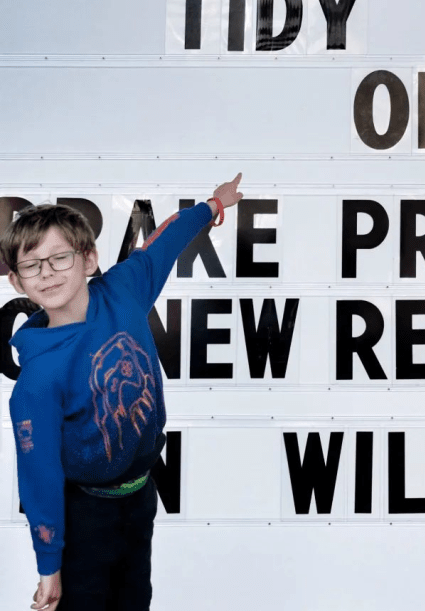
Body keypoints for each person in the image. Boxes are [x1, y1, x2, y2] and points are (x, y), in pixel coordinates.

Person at [1, 174, 244, 611]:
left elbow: (165, 242)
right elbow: (39, 481)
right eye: (32, 265)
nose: (48, 273)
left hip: (139, 497)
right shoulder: (37, 381)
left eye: (59, 258)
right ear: (17, 283)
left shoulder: (125, 290)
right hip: (84, 517)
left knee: (135, 600)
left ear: (89, 259)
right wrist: (48, 566)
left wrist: (212, 206)